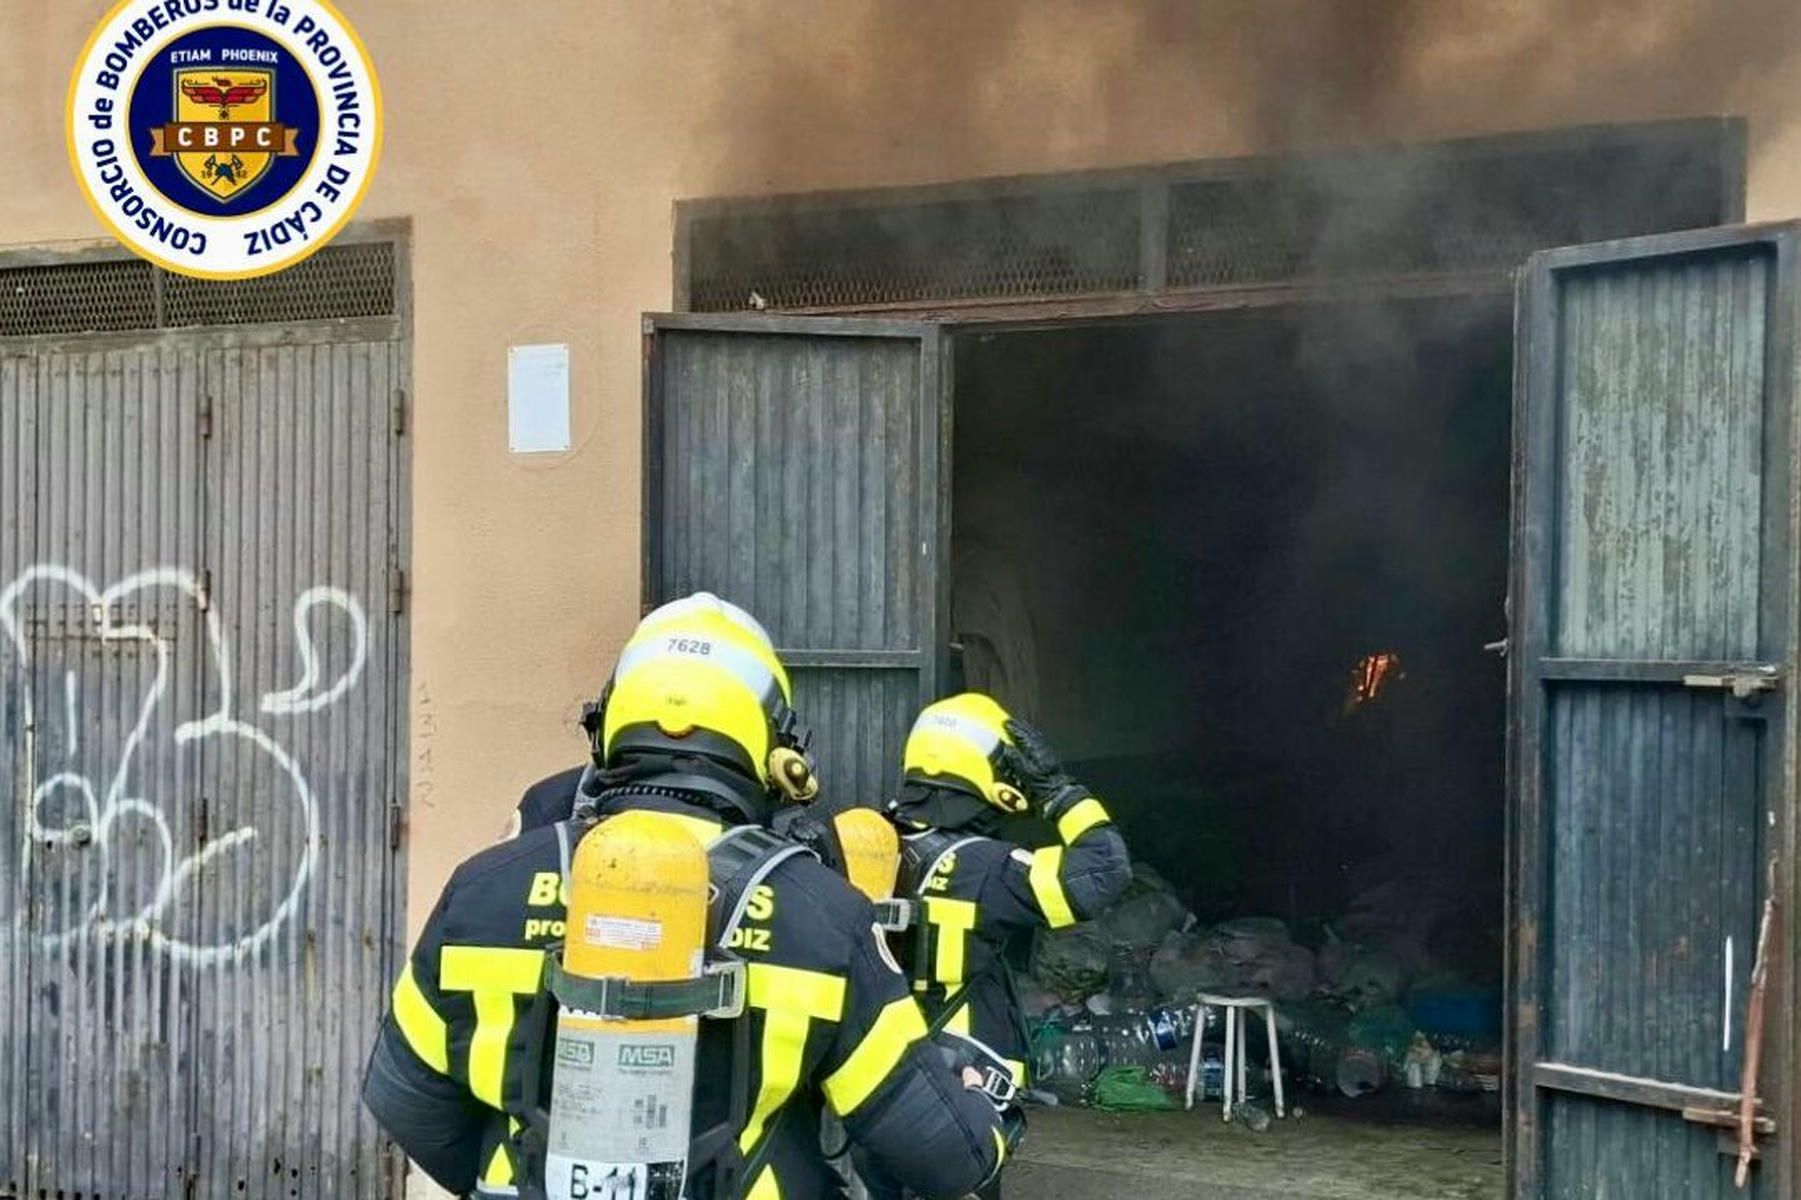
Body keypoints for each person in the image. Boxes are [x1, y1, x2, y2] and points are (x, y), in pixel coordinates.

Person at [363, 594, 1009, 1200]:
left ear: (609, 725)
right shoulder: (825, 918)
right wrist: (980, 1107)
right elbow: (944, 1157)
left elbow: (409, 1104)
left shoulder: (483, 890)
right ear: (775, 748)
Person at [863, 692, 1131, 1199]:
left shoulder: (868, 846)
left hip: (874, 1090)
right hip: (960, 1097)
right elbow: (1104, 868)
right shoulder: (986, 867)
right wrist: (1058, 791)